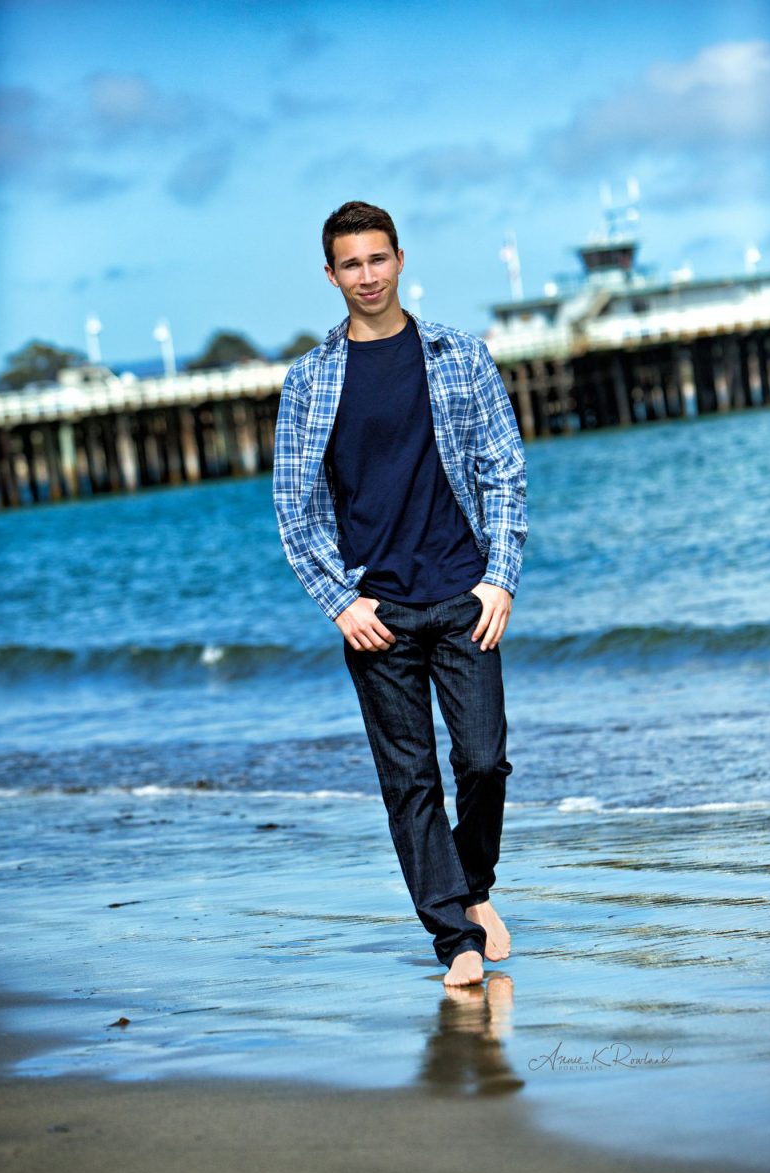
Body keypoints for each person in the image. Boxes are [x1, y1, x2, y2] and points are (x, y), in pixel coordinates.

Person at [272, 200, 528, 987]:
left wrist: (501, 578)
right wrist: (340, 602)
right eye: (351, 264)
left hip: (463, 596)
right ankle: (453, 937)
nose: (367, 275)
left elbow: (504, 468)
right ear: (330, 275)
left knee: (483, 762)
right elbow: (295, 506)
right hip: (375, 609)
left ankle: (473, 885)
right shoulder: (310, 382)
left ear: (400, 259)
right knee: (409, 780)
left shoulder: (459, 355)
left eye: (377, 259)